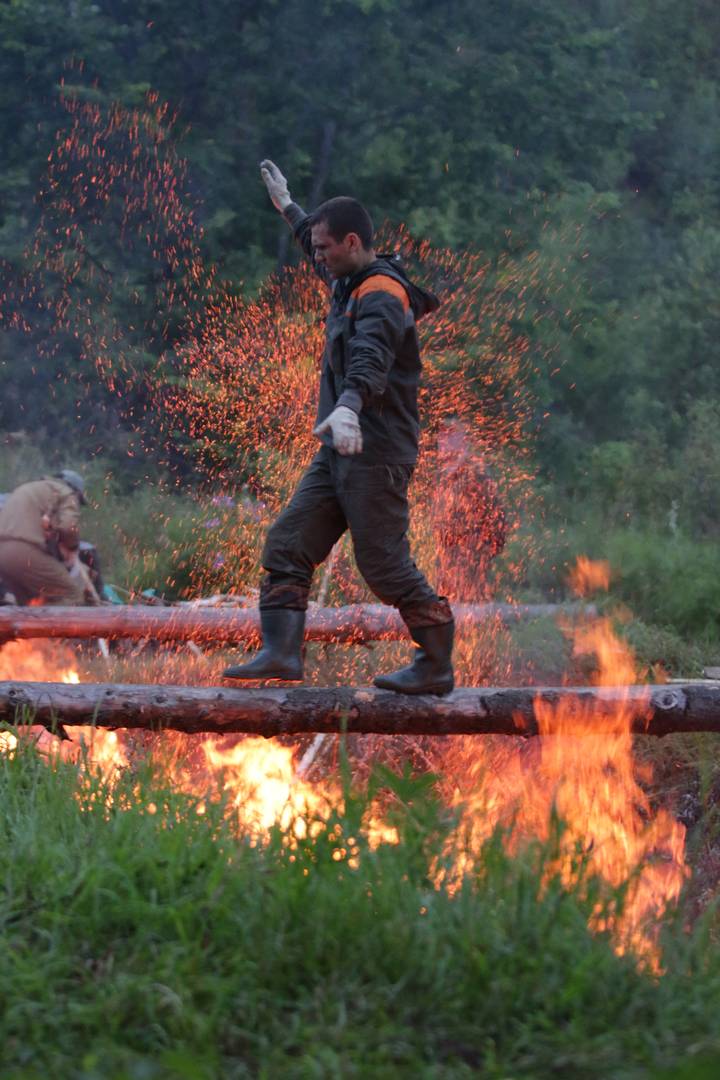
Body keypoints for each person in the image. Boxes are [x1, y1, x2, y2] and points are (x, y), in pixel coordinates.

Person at [223, 160, 454, 694]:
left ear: (352, 242)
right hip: (337, 451)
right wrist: (288, 206)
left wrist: (349, 405)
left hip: (376, 453)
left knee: (383, 567)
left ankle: (436, 664)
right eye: (318, 250)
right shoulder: (346, 274)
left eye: (326, 249)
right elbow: (311, 238)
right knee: (287, 542)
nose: (318, 257)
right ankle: (281, 654)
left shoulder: (382, 294)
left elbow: (371, 358)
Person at [432, 419, 507, 602]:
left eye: (450, 435)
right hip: (447, 567)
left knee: (472, 616)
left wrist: (478, 554)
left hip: (471, 568)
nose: (444, 441)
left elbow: (498, 524)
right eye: (442, 436)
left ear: (463, 441)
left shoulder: (476, 475)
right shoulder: (444, 477)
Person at [0, 470, 99, 605]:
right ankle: (59, 626)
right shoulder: (66, 493)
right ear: (76, 491)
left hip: (3, 556)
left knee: (28, 606)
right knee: (72, 594)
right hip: (24, 552)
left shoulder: (29, 489)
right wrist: (72, 547)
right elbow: (68, 526)